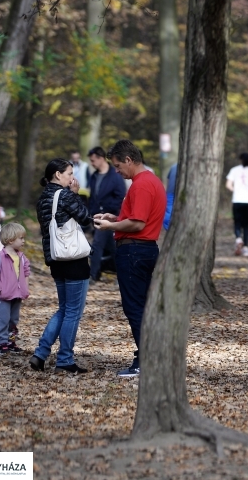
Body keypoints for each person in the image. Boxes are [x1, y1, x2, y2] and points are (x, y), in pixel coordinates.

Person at [93, 140, 166, 377]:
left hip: (135, 251)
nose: (116, 171)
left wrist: (107, 227)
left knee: (134, 307)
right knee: (141, 306)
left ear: (128, 160)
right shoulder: (147, 182)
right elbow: (134, 217)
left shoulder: (142, 185)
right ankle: (150, 355)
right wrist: (115, 218)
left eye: (117, 166)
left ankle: (146, 359)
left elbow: (138, 223)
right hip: (141, 249)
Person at [29, 159, 92, 374]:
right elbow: (85, 218)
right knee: (73, 312)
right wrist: (75, 193)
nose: (72, 178)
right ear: (58, 174)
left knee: (64, 309)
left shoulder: (43, 198)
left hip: (56, 260)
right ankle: (65, 359)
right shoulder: (64, 195)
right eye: (69, 173)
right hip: (74, 260)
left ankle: (40, 354)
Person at [0, 222, 30, 356]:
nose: (23, 241)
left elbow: (26, 272)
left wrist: (25, 288)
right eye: (21, 238)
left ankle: (11, 342)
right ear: (11, 240)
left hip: (18, 295)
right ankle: (2, 343)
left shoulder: (22, 257)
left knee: (13, 320)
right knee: (3, 320)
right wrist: (0, 289)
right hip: (4, 295)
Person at [87, 146, 127, 283]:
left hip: (110, 216)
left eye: (93, 160)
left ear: (101, 158)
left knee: (97, 244)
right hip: (97, 216)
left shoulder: (115, 175)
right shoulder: (94, 176)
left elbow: (121, 195)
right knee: (112, 247)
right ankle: (120, 273)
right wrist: (92, 213)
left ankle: (93, 275)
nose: (92, 163)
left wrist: (110, 212)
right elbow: (92, 196)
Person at [225, 153, 248, 257]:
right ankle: (246, 248)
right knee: (246, 224)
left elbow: (228, 185)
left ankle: (238, 239)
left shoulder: (234, 170)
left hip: (238, 200)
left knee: (237, 222)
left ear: (240, 159)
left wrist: (235, 191)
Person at [163, 163, 177, 231]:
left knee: (168, 214)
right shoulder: (174, 167)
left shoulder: (173, 166)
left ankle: (169, 229)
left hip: (170, 193)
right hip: (171, 193)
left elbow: (168, 180)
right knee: (168, 214)